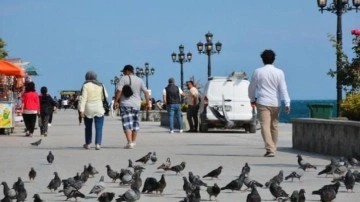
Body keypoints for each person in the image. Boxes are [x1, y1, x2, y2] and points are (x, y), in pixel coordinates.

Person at [248, 49, 291, 157]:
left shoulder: (258, 71)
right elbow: (283, 88)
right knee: (274, 126)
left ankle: (270, 149)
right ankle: (272, 147)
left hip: (262, 101)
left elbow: (252, 87)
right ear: (273, 59)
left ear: (262, 59)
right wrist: (287, 103)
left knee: (265, 126)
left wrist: (252, 99)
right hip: (276, 102)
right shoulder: (279, 72)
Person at [114, 64, 150, 149]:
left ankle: (129, 142)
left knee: (127, 123)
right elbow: (146, 92)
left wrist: (116, 101)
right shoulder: (140, 80)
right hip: (136, 105)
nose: (123, 73)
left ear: (127, 71)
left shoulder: (123, 79)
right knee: (135, 123)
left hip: (126, 104)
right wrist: (148, 103)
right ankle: (133, 142)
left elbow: (119, 91)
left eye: (124, 71)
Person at [79, 71, 108, 150]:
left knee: (88, 127)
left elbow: (83, 99)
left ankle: (88, 143)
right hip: (99, 107)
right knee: (99, 127)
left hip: (88, 108)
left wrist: (81, 110)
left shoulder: (85, 85)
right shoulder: (101, 85)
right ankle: (98, 144)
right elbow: (105, 96)